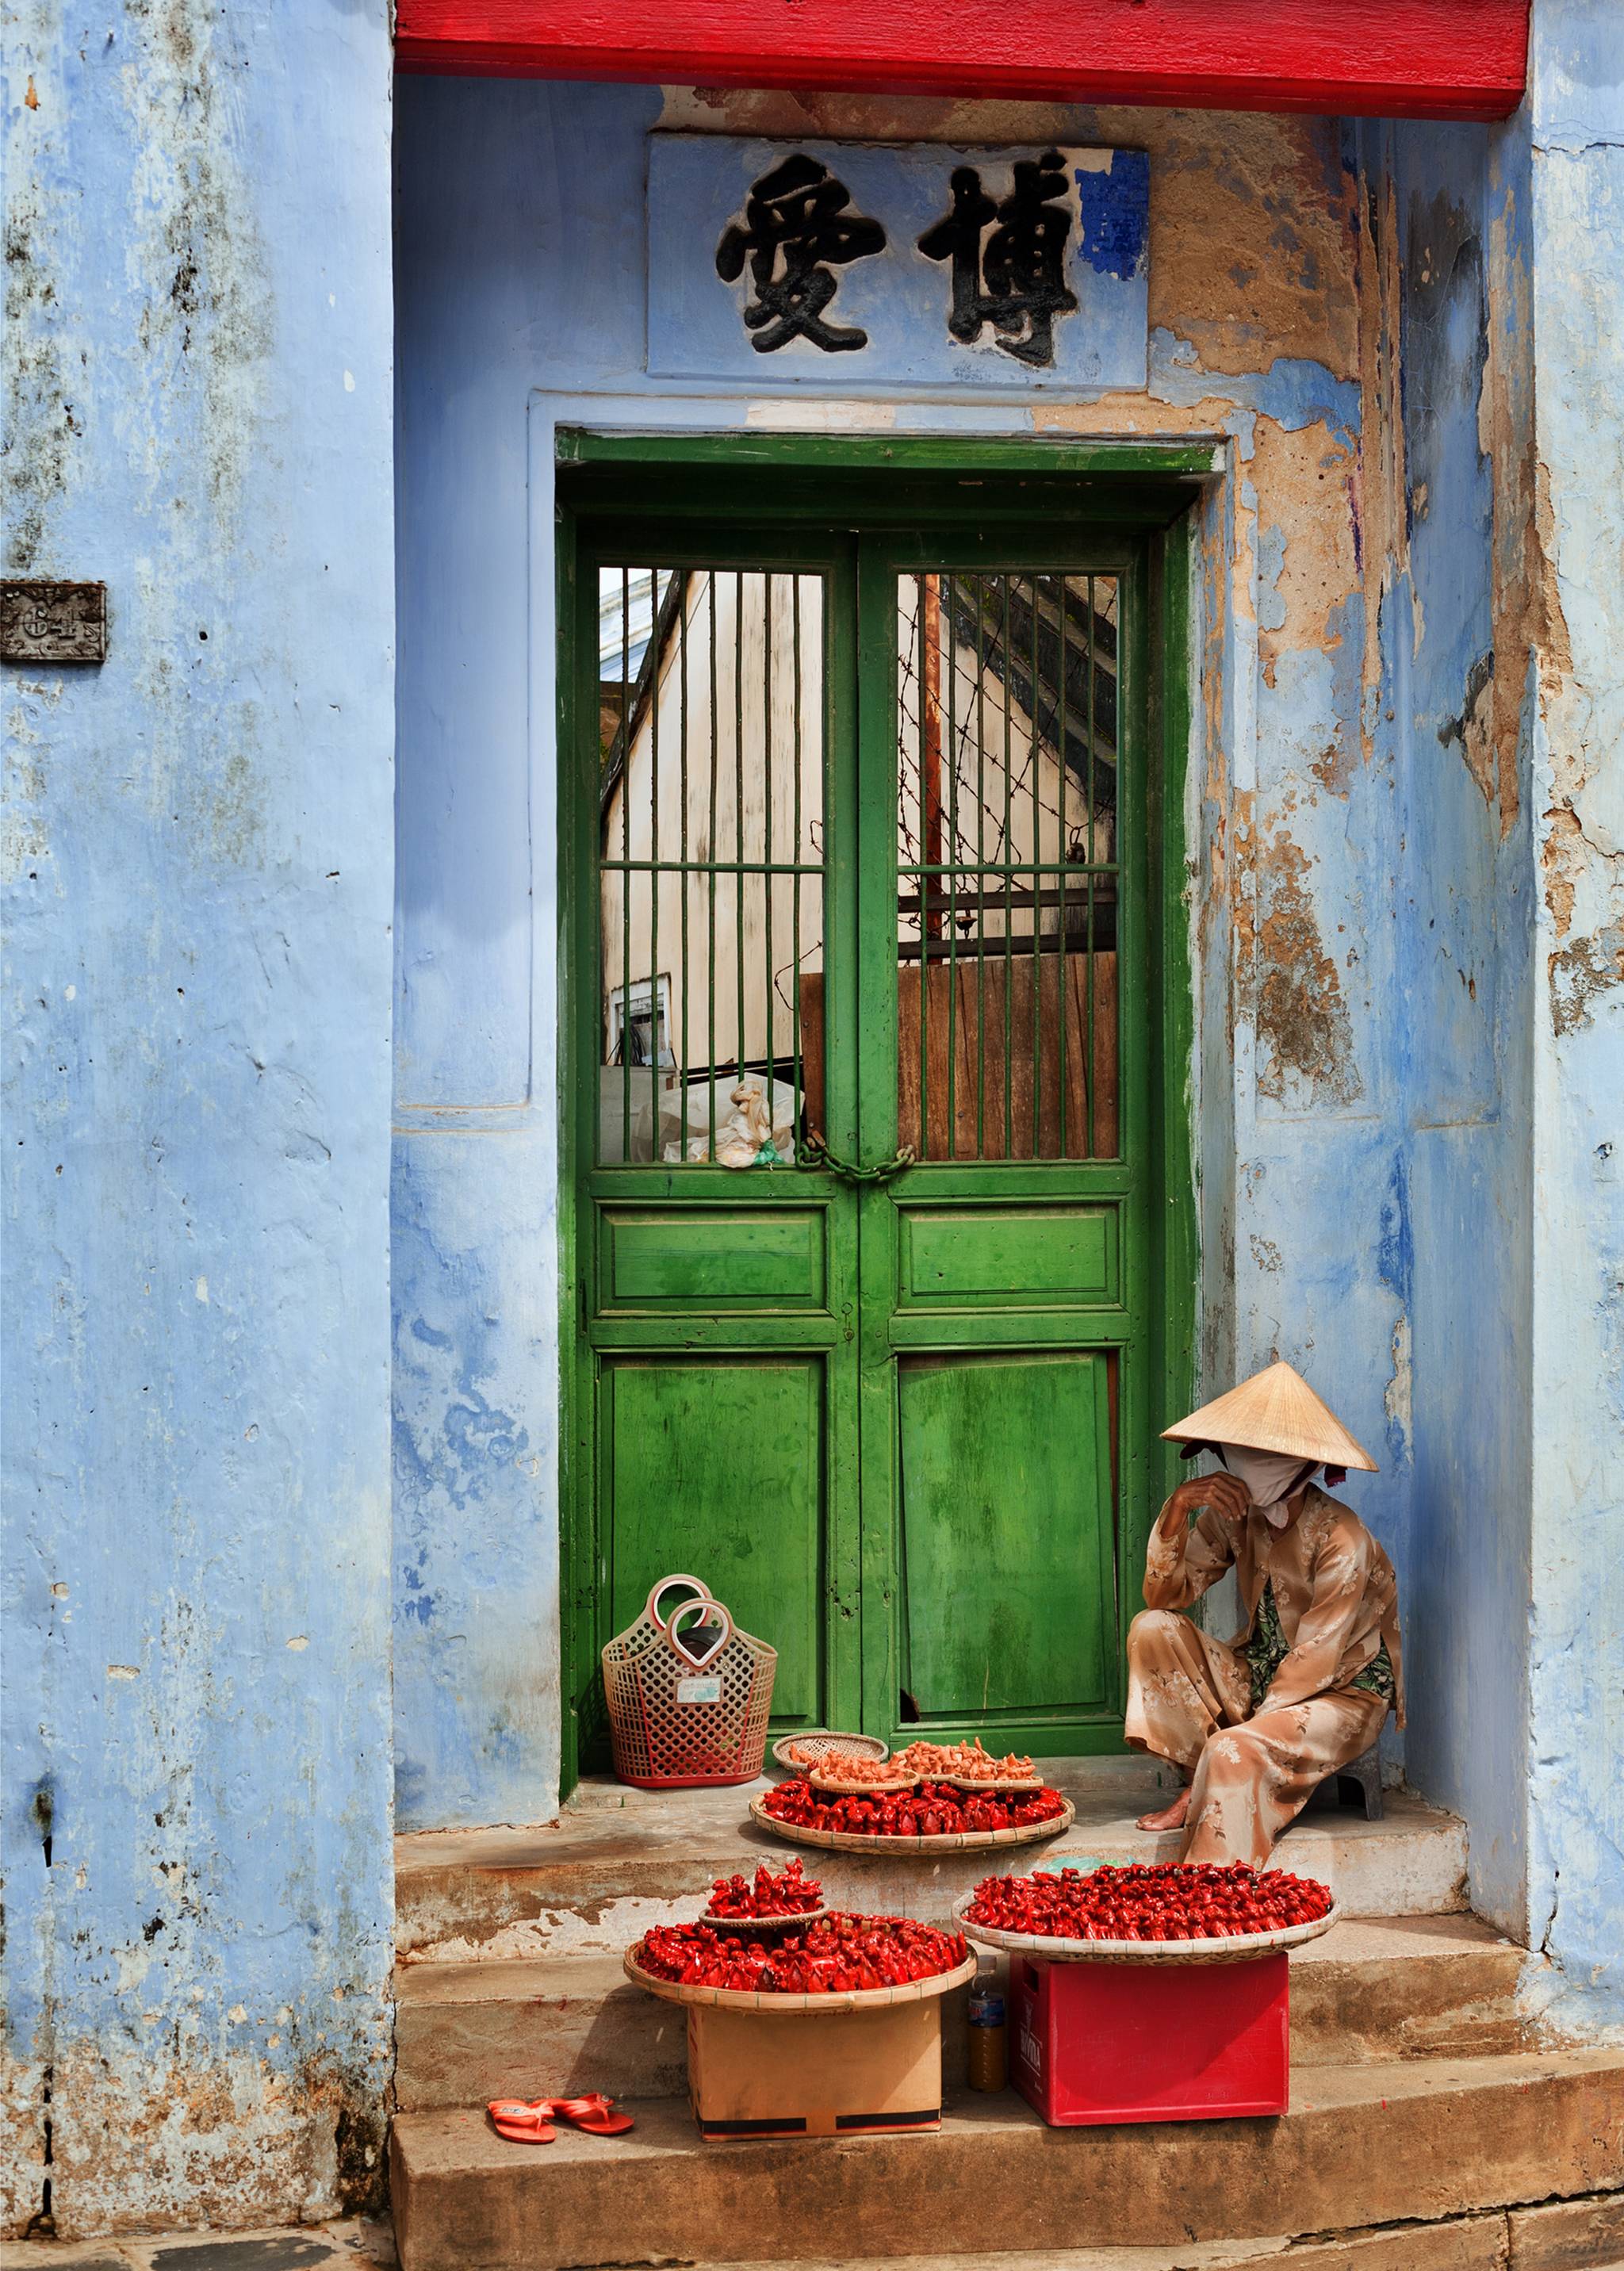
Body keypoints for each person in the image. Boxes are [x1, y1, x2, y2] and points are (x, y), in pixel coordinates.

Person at [1124, 1360, 1403, 1871]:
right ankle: (1201, 1779)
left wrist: (1232, 1741)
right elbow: (1165, 1595)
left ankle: (1209, 1891)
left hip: (1341, 1694)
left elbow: (1315, 1662)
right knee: (1151, 1629)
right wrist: (1179, 1509)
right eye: (1244, 1452)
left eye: (1268, 1455)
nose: (1250, 1464)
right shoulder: (1238, 1516)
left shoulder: (1343, 1538)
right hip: (1262, 1676)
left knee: (1235, 1751)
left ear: (1302, 1463)